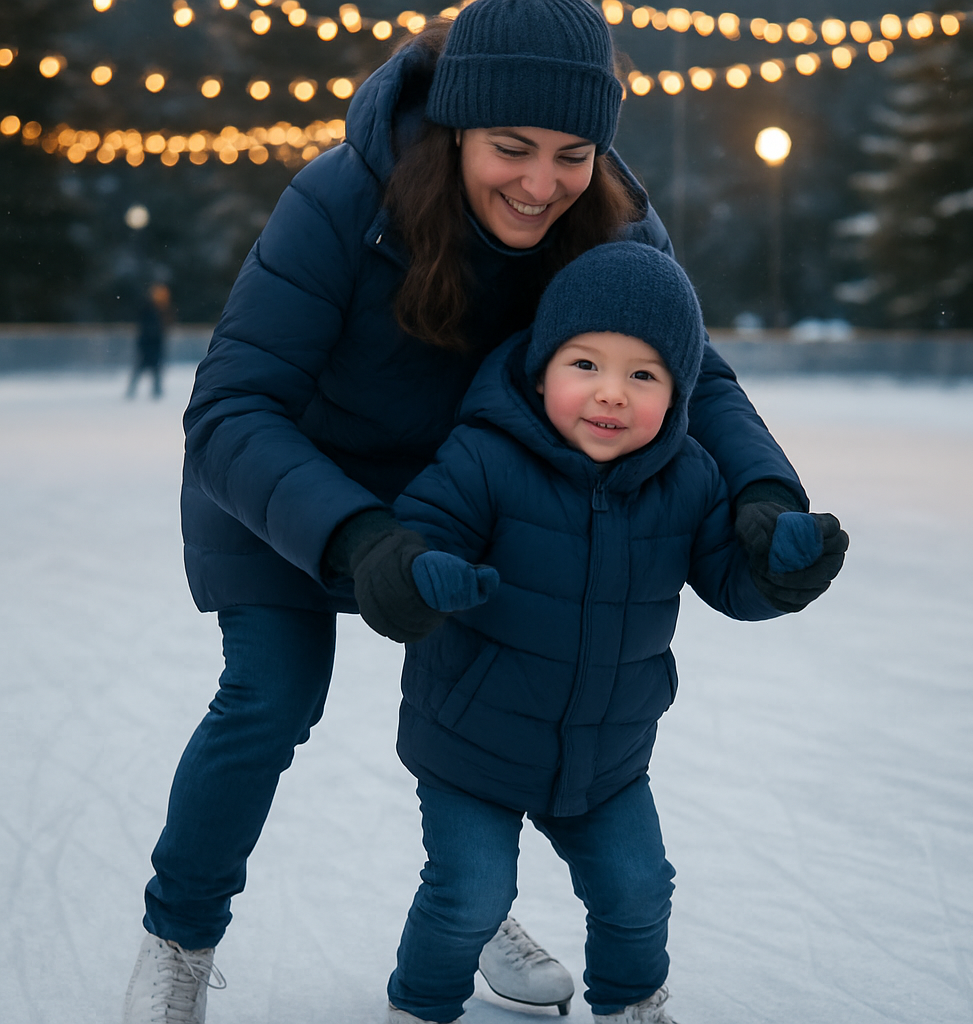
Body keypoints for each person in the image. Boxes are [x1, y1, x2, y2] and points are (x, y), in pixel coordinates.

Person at [122, 1, 845, 1021]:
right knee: (269, 698)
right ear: (457, 127)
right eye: (511, 149)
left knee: (505, 693)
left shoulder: (612, 216)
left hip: (466, 485)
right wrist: (354, 531)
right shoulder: (344, 198)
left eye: (571, 152)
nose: (542, 185)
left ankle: (476, 909)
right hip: (290, 480)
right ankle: (179, 937)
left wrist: (765, 494)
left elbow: (696, 376)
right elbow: (232, 406)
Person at [382, 241, 848, 1024]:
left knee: (638, 888)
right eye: (585, 365)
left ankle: (633, 1006)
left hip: (608, 755)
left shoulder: (691, 477)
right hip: (473, 743)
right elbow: (422, 529)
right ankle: (422, 1007)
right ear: (541, 369)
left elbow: (729, 581)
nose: (611, 395)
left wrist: (778, 571)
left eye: (643, 375)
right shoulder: (486, 456)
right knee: (469, 895)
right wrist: (424, 571)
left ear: (679, 392)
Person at [126, 282, 170, 399]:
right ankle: (132, 392)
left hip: (154, 345)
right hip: (148, 345)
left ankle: (156, 393)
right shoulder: (149, 309)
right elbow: (147, 328)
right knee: (142, 368)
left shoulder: (160, 310)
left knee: (154, 370)